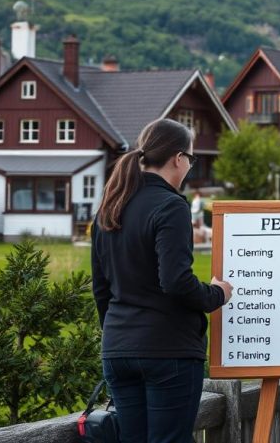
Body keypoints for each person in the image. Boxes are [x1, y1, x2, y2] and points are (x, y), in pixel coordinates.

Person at [91, 118, 232, 443]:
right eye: (192, 159)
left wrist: (120, 336)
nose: (189, 167)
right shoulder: (171, 206)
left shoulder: (110, 206)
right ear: (178, 158)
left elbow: (101, 289)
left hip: (118, 349)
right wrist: (217, 294)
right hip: (167, 350)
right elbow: (175, 281)